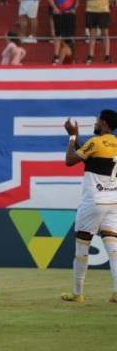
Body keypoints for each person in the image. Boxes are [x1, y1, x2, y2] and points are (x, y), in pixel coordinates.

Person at [61, 110, 117, 303]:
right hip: (113, 200)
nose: (95, 123)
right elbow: (85, 154)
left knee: (82, 245)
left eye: (97, 121)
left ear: (103, 123)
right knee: (113, 246)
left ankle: (77, 292)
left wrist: (72, 136)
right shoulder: (114, 144)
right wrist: (77, 139)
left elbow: (70, 160)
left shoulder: (96, 143)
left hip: (94, 200)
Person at [81, 0, 114, 64]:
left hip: (104, 10)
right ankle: (90, 56)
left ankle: (107, 55)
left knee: (105, 33)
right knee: (92, 34)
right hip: (91, 10)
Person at [47, 0, 78, 65]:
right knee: (57, 35)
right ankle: (56, 56)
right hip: (59, 12)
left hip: (70, 13)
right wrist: (55, 8)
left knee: (71, 35)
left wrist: (75, 8)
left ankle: (72, 56)